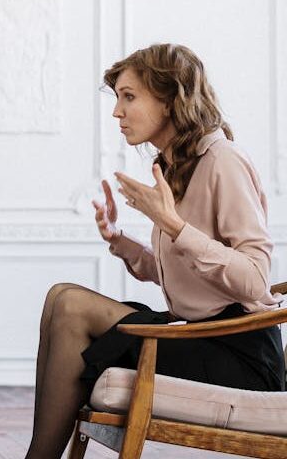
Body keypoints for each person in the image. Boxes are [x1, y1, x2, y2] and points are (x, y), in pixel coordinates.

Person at [26, 43, 284, 459]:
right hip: (201, 336)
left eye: (129, 96)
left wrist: (175, 226)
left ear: (169, 99)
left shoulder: (223, 161)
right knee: (60, 297)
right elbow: (187, 276)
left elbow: (255, 276)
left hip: (239, 354)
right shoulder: (177, 166)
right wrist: (120, 241)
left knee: (72, 304)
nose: (117, 112)